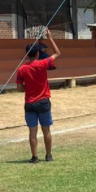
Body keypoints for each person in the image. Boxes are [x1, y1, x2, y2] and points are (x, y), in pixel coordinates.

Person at [16, 28, 61, 163]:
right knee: (46, 130)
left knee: (32, 132)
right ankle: (48, 156)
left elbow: (19, 88)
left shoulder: (21, 69)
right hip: (43, 102)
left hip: (29, 103)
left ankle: (34, 157)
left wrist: (28, 88)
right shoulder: (42, 64)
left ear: (27, 55)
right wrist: (50, 37)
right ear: (37, 54)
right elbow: (58, 53)